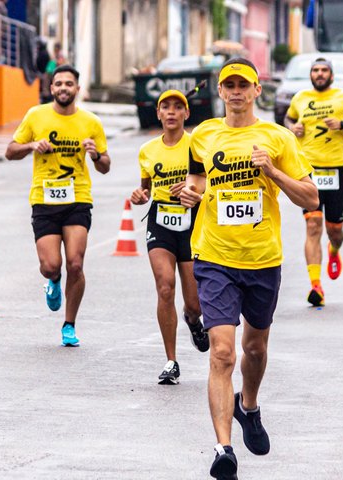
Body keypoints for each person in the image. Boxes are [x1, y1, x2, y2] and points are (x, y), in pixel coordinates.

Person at [179, 58, 317, 480]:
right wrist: (190, 193)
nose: (236, 91)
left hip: (262, 260)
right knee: (222, 353)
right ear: (220, 92)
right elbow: (198, 183)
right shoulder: (202, 135)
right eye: (229, 85)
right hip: (214, 256)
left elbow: (310, 198)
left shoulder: (277, 138)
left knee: (254, 350)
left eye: (244, 85)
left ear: (258, 91)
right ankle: (223, 450)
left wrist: (272, 171)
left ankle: (248, 406)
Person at [5, 65, 110, 346]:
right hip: (44, 199)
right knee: (51, 265)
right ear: (51, 88)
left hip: (78, 198)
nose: (64, 88)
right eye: (58, 84)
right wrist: (31, 146)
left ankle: (69, 325)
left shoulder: (91, 122)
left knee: (76, 263)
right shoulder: (36, 116)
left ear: (77, 89)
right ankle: (53, 281)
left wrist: (96, 154)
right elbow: (10, 151)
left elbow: (105, 167)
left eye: (69, 84)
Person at [130, 89, 209, 385]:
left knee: (194, 304)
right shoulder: (148, 150)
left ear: (187, 114)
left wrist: (193, 192)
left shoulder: (197, 145)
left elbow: (208, 183)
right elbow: (146, 188)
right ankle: (171, 361)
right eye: (166, 107)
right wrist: (140, 195)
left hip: (192, 224)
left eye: (179, 107)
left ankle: (193, 321)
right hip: (160, 221)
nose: (172, 111)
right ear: (159, 114)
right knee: (165, 287)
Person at [284, 58, 343, 306]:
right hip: (308, 171)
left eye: (324, 70)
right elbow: (288, 120)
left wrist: (342, 125)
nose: (319, 74)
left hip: (337, 170)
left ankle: (334, 250)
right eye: (315, 70)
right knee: (313, 227)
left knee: (335, 230)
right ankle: (316, 286)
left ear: (331, 74)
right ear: (311, 74)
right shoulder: (300, 98)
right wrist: (293, 127)